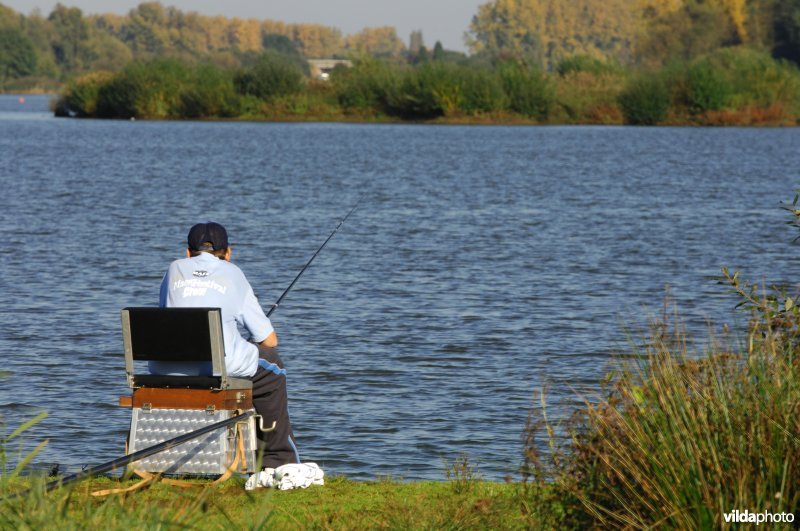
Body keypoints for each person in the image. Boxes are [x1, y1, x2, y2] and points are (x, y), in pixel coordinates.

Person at [152, 221, 300, 470]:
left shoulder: (174, 269)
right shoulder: (233, 273)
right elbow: (269, 340)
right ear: (228, 254)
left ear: (188, 253)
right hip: (217, 368)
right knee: (274, 366)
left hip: (167, 367)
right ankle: (278, 461)